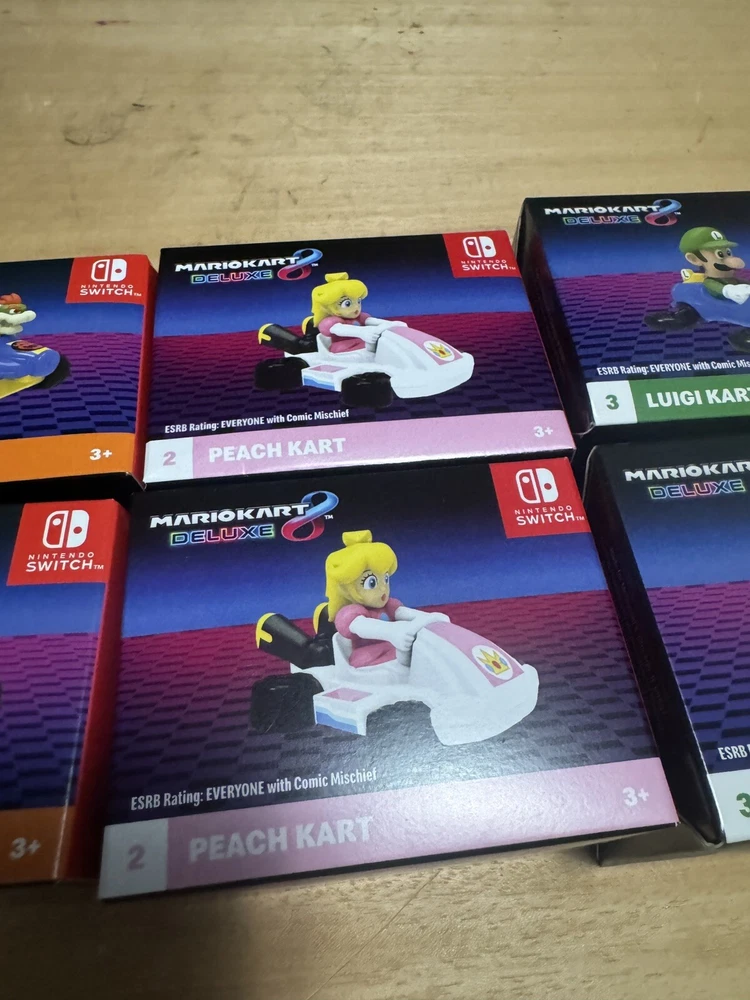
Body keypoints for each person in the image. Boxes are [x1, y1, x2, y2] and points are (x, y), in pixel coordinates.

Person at [324, 530, 443, 668]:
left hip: (394, 646)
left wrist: (430, 619)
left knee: (420, 654)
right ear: (345, 588)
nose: (383, 589)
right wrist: (393, 631)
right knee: (408, 659)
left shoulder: (388, 605)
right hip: (368, 656)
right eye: (372, 582)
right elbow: (362, 626)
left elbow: (404, 613)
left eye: (385, 579)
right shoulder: (349, 613)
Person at [310, 272, 401, 354]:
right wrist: (362, 332)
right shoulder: (330, 322)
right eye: (347, 304)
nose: (356, 307)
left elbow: (371, 320)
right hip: (343, 348)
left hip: (362, 343)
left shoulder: (359, 317)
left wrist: (391, 324)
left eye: (358, 301)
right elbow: (340, 329)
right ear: (329, 307)